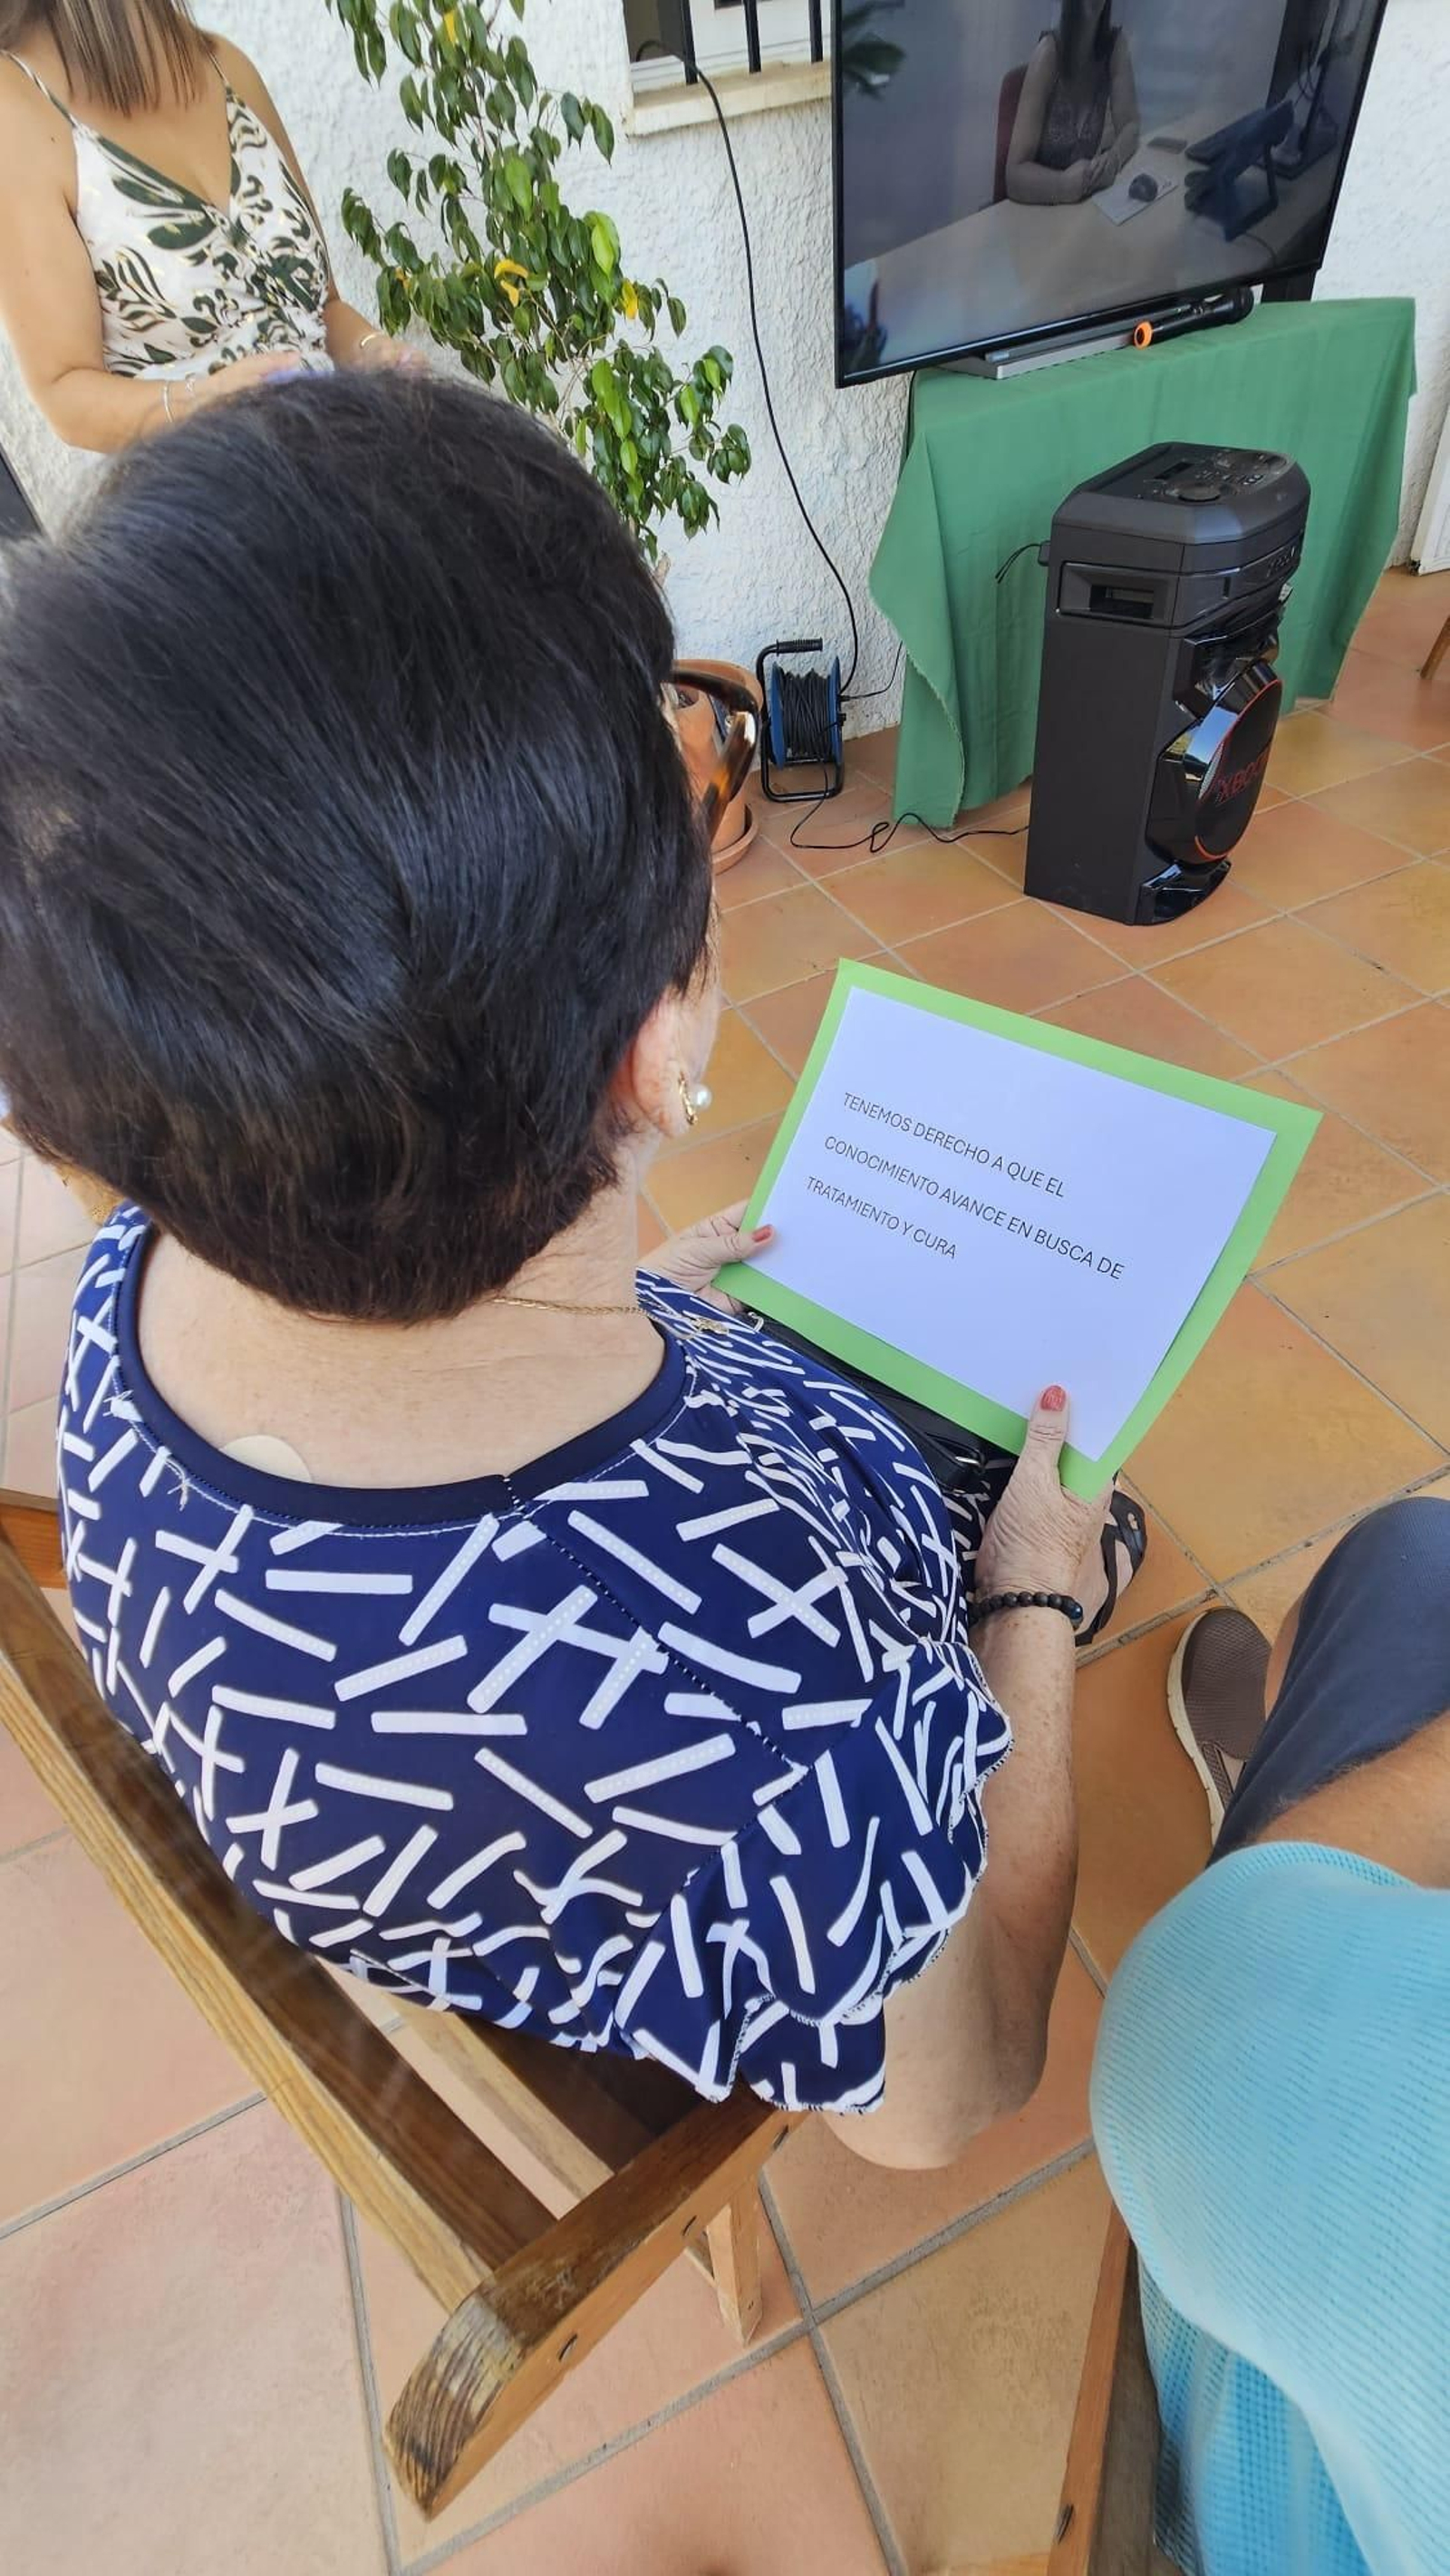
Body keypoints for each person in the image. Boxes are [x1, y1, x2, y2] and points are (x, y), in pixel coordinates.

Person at [0, 373, 1140, 2164]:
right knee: (1085, 1492)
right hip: (688, 1769)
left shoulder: (136, 1259)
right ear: (648, 1048)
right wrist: (1025, 1616)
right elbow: (962, 2084)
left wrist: (649, 1301)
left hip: (451, 1832)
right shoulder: (772, 1687)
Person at [1091, 1502, 1450, 2573]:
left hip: (1275, 2467)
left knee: (1401, 1565)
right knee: (1417, 1560)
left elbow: (1190, 2032)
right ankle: (1289, 1798)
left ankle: (1284, 1808)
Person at [0, 0, 417, 452]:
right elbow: (65, 394)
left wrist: (374, 351)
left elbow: (323, 308)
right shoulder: (16, 105)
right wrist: (204, 402)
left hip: (340, 459)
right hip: (209, 495)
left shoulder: (224, 64)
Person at [1005, 0, 1140, 208]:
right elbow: (1014, 175)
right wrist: (1062, 186)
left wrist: (1113, 159)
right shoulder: (1048, 53)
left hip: (1081, 210)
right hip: (1036, 212)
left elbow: (1131, 125)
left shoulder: (1114, 46)